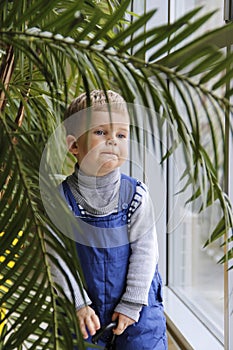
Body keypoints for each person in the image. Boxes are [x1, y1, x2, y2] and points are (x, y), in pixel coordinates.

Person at [52, 90, 167, 349]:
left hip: (137, 309)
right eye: (101, 132)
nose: (113, 141)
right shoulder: (60, 200)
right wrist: (78, 303)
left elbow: (146, 253)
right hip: (85, 309)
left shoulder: (135, 194)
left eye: (121, 135)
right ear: (74, 145)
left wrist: (132, 303)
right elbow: (57, 258)